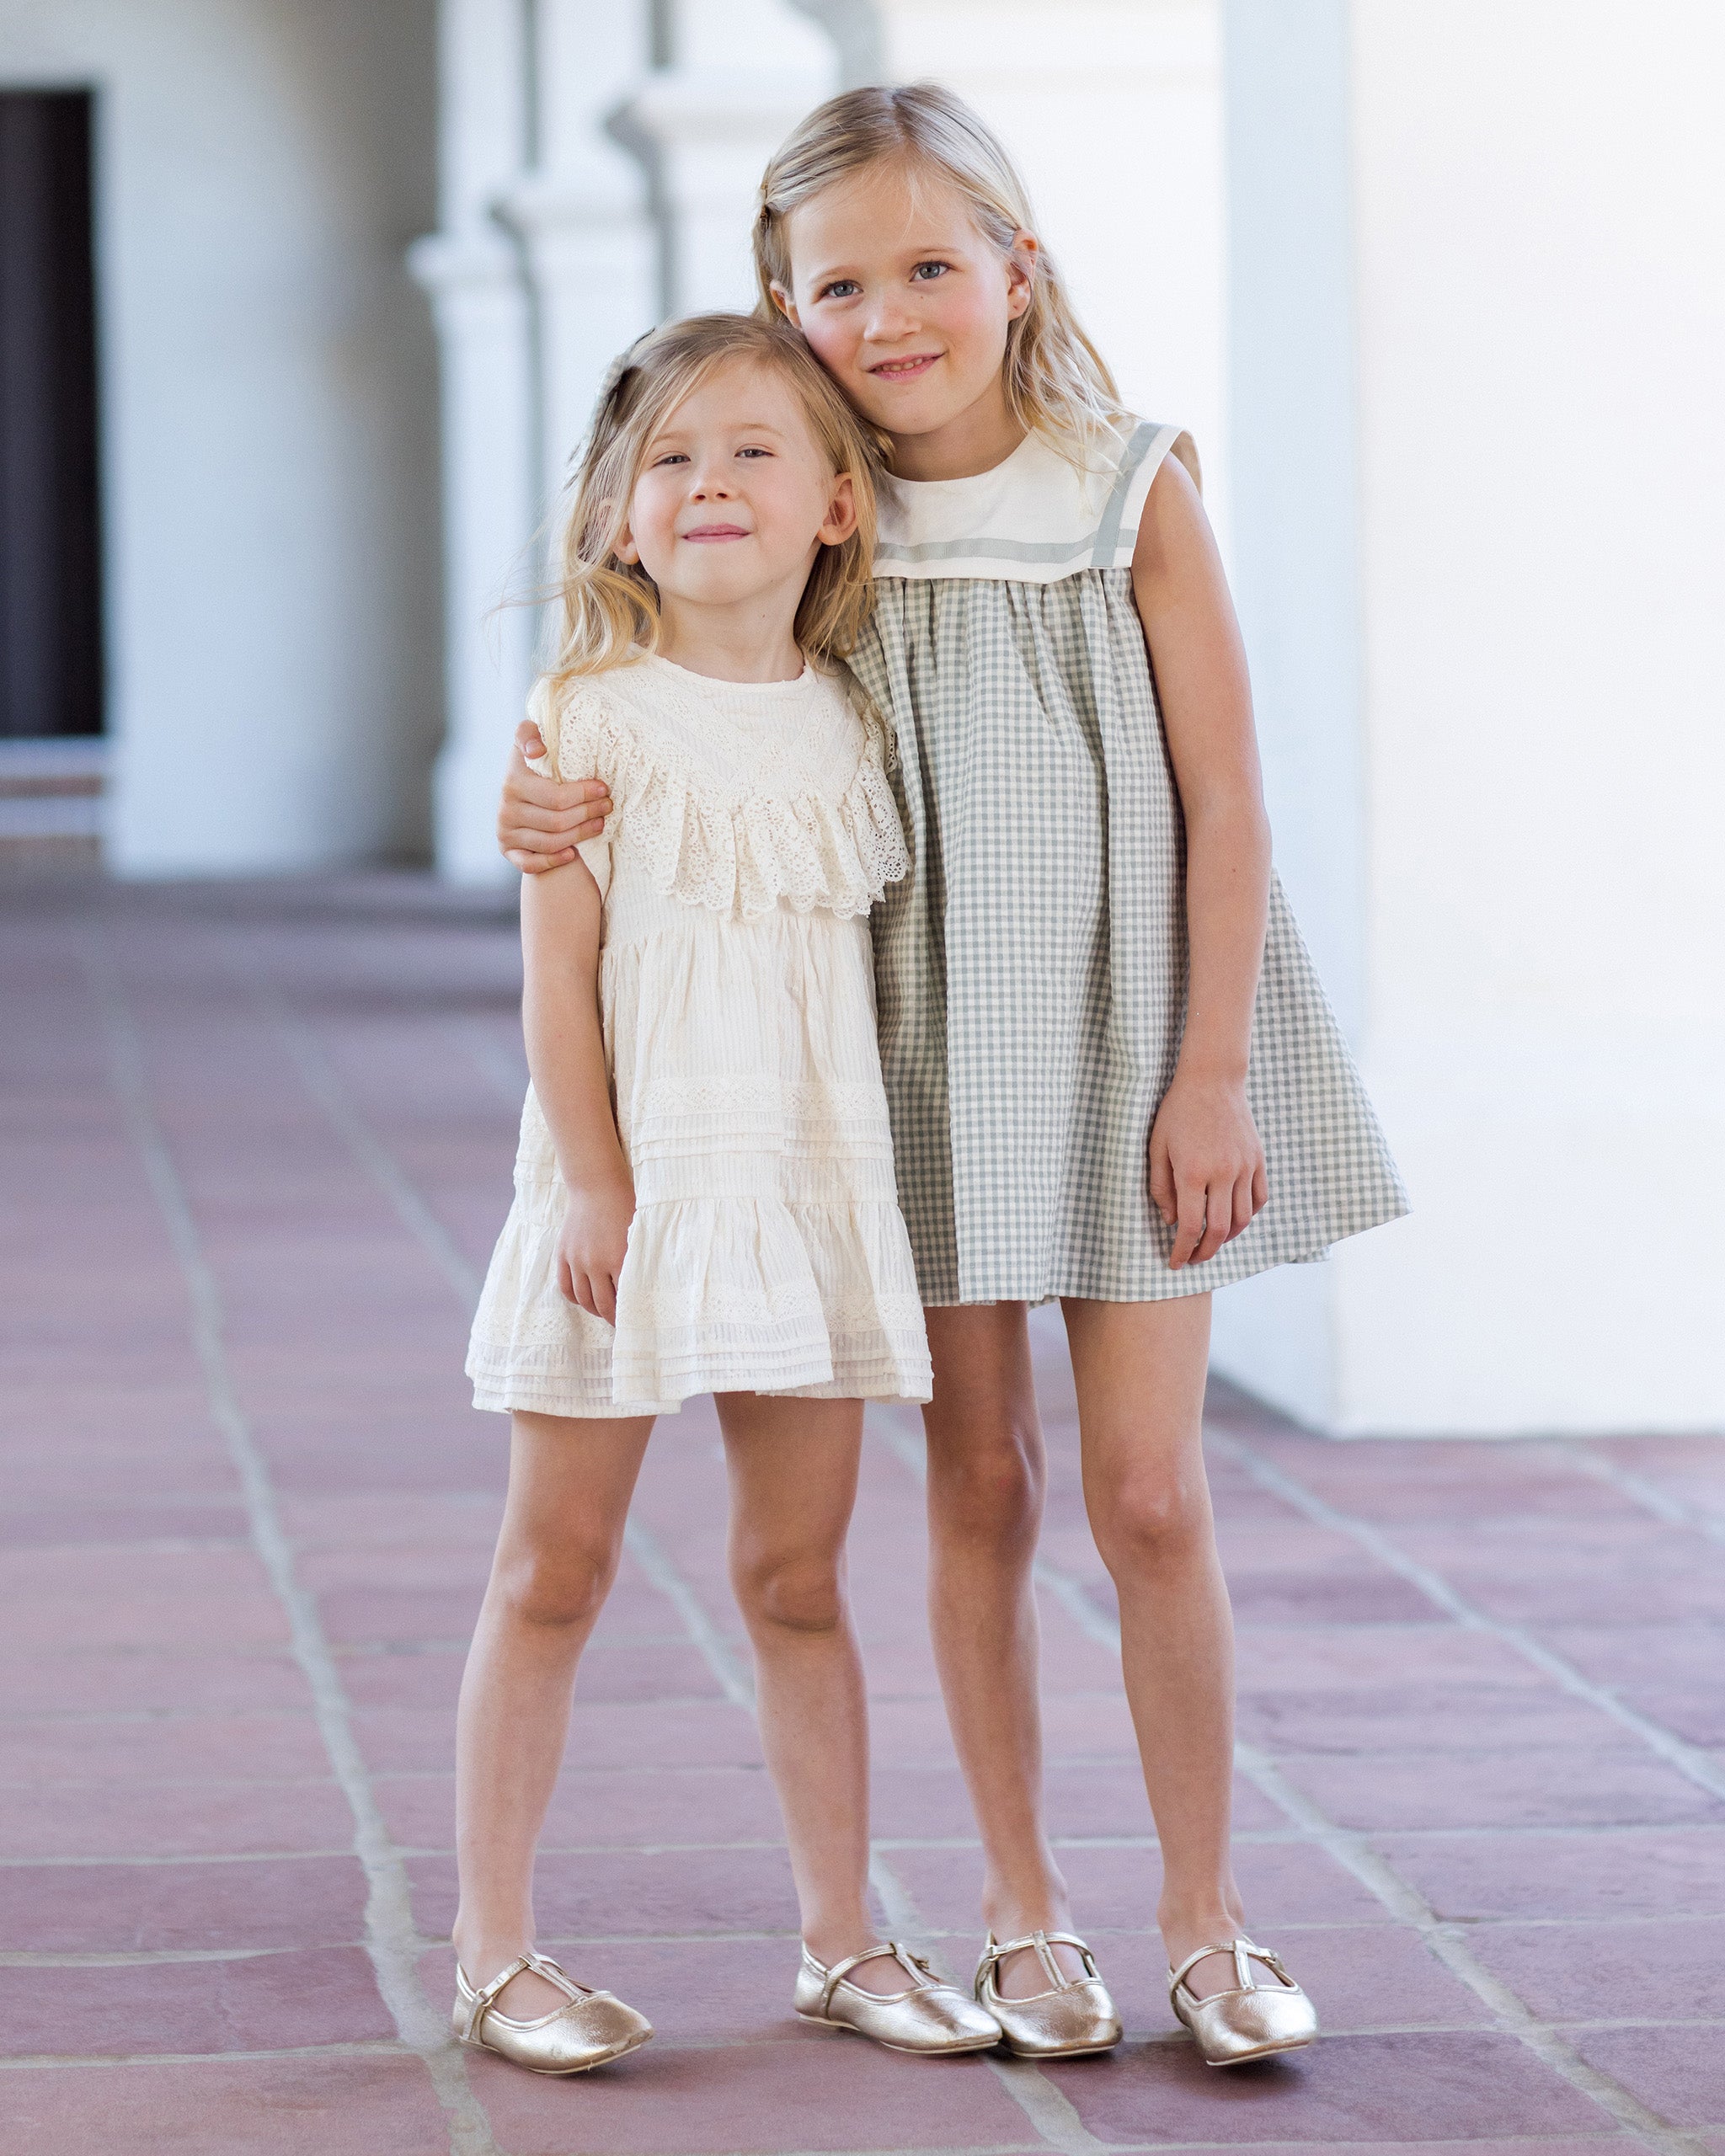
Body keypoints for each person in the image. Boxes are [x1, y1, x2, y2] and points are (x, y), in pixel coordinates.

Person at [497, 84, 1406, 2068]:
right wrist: (547, 783)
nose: (892, 311)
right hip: (907, 1053)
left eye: (931, 263)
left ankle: (1205, 1913)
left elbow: (1227, 789)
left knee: (1152, 1491)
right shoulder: (816, 508)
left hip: (1125, 1036)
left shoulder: (1127, 480)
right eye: (841, 283)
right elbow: (659, 678)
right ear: (782, 302)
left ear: (1018, 268)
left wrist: (1213, 1071)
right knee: (976, 1480)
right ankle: (1019, 1909)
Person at [454, 311, 1007, 2076]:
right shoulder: (585, 714)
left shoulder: (862, 718)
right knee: (555, 1562)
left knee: (796, 1574)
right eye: (670, 457)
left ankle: (842, 1936)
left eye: (754, 449)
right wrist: (598, 1185)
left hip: (808, 1183)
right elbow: (560, 977)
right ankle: (493, 1945)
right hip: (631, 1189)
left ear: (840, 502)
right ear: (619, 516)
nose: (708, 484)